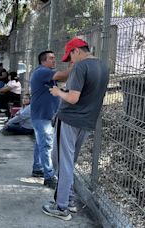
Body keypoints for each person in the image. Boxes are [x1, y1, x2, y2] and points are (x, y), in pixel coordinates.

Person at [42, 38, 109, 221]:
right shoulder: (103, 66)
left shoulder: (81, 67)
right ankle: (69, 199)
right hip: (86, 122)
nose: (71, 62)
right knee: (68, 162)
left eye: (70, 56)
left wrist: (58, 93)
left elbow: (72, 98)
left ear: (77, 51)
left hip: (70, 120)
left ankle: (61, 206)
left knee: (61, 162)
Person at [30, 50, 71, 189]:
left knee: (40, 143)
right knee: (46, 145)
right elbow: (64, 75)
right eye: (51, 58)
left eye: (54, 58)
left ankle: (37, 168)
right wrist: (75, 63)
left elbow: (63, 79)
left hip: (44, 115)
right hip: (42, 116)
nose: (54, 60)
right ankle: (48, 176)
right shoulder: (42, 71)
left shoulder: (46, 74)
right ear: (43, 61)